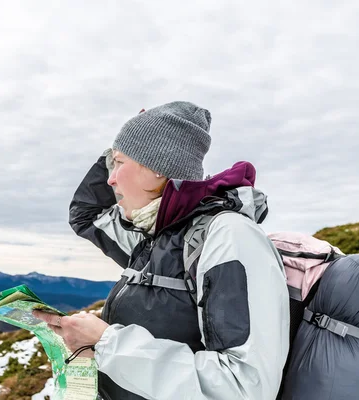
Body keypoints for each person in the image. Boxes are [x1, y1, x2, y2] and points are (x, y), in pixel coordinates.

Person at [33, 102, 290, 400]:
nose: (110, 178)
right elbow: (86, 214)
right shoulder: (156, 236)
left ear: (157, 168)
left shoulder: (227, 236)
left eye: (118, 162)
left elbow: (244, 387)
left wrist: (106, 343)